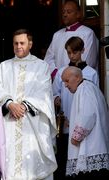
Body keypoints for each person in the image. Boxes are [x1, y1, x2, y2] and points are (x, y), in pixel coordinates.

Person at [0, 29, 57, 179]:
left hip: (32, 124)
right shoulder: (4, 66)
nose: (19, 46)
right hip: (10, 122)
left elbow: (44, 90)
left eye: (22, 43)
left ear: (30, 44)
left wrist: (25, 105)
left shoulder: (41, 66)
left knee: (32, 166)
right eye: (16, 43)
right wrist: (9, 104)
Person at [52, 36, 99, 179]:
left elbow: (94, 99)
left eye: (75, 52)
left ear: (83, 51)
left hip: (83, 123)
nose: (72, 56)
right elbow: (54, 93)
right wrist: (56, 99)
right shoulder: (62, 72)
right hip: (66, 122)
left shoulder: (91, 73)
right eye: (69, 53)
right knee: (64, 158)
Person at [61, 66, 109, 179]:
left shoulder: (84, 89)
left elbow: (88, 115)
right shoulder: (89, 87)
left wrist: (76, 137)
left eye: (67, 81)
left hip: (91, 149)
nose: (65, 85)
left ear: (77, 78)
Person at [44, 0, 99, 78]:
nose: (65, 14)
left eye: (69, 12)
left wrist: (69, 76)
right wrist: (56, 74)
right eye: (63, 12)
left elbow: (88, 61)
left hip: (80, 80)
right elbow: (48, 59)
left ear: (78, 14)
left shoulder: (88, 33)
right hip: (59, 80)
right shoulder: (57, 35)